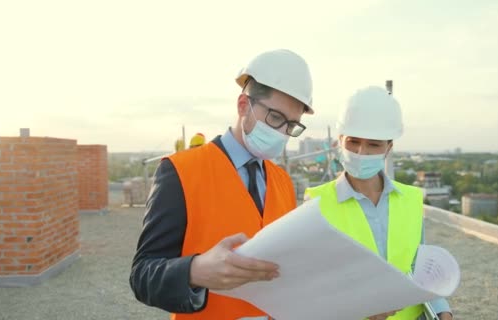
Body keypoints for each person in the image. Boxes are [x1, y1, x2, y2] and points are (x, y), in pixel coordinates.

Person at [129, 49, 314, 320]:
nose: (282, 133)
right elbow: (143, 276)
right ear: (243, 105)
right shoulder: (180, 170)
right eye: (275, 118)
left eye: (292, 125)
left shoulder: (282, 181)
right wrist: (195, 271)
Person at [304, 86, 453, 320]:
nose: (361, 152)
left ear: (388, 148)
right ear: (340, 142)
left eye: (373, 144)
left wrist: (442, 310)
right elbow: (310, 285)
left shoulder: (411, 200)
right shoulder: (315, 204)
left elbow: (419, 271)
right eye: (353, 142)